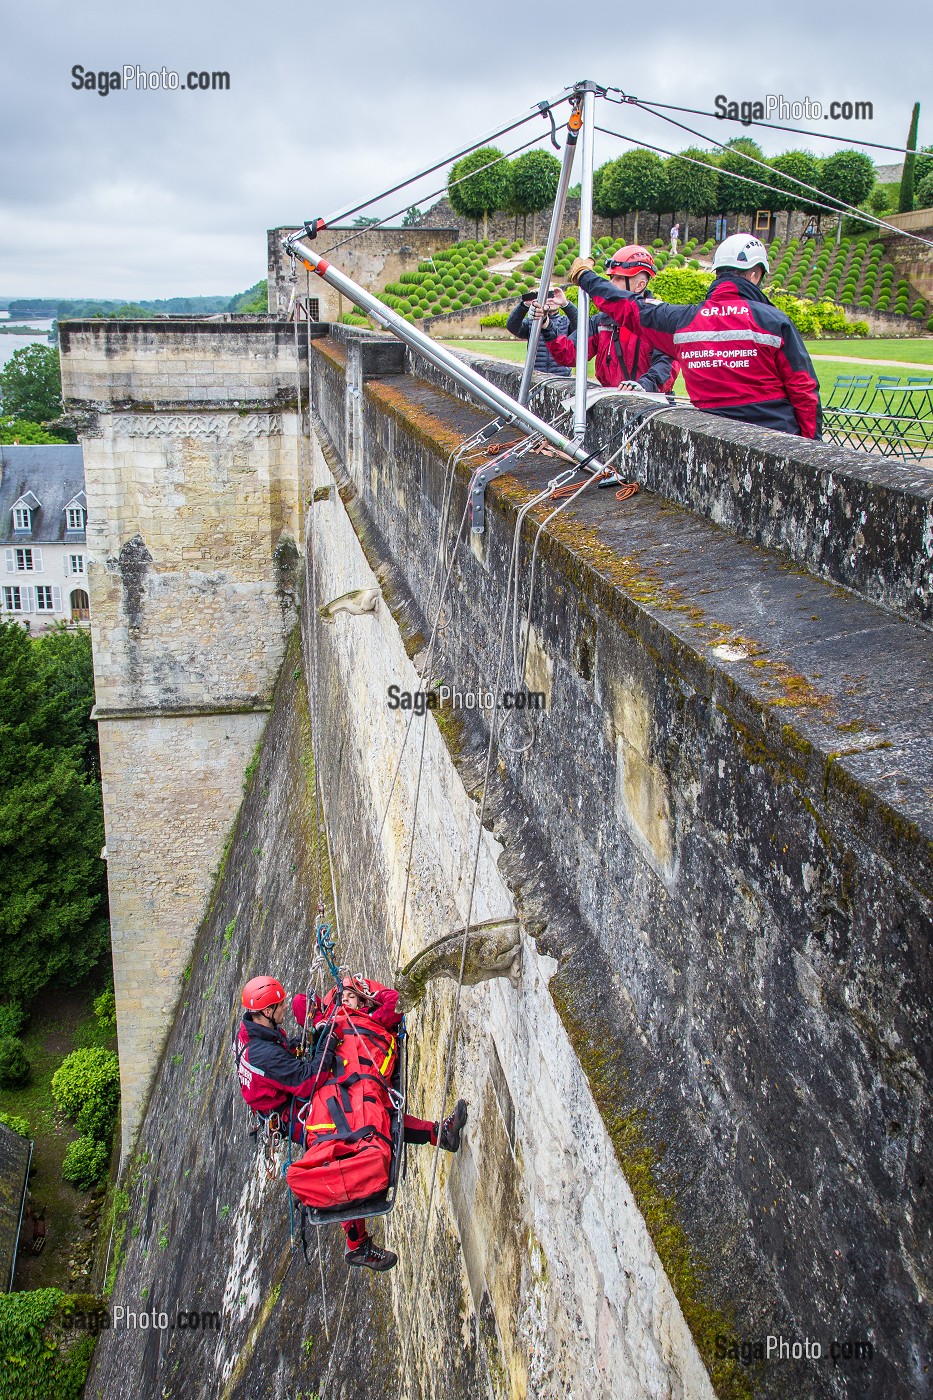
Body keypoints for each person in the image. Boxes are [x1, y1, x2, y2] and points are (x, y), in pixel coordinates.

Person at [236, 975, 468, 1273]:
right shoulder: (262, 1052)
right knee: (336, 1140)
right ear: (266, 1011)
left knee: (369, 1106)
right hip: (292, 1111)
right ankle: (357, 1244)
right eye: (278, 1006)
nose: (283, 1010)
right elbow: (307, 1081)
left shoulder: (254, 1032)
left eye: (352, 997)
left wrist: (324, 1028)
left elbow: (389, 1006)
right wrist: (328, 1041)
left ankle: (439, 1135)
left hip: (304, 1088)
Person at [566, 233, 822, 439]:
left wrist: (586, 277)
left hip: (710, 436)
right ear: (755, 274)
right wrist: (813, 447)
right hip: (777, 437)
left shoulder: (685, 321)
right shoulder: (774, 321)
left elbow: (629, 308)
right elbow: (804, 389)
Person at [540, 245, 676, 394]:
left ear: (639, 285)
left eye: (618, 278)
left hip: (649, 405)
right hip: (611, 403)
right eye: (611, 277)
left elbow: (666, 368)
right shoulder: (601, 322)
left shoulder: (659, 321)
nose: (611, 284)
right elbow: (569, 354)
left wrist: (644, 385)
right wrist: (547, 326)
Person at [506, 286, 577, 377]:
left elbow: (581, 326)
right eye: (548, 296)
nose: (551, 300)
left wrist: (565, 304)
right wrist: (525, 304)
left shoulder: (566, 322)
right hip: (536, 375)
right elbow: (512, 326)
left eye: (554, 296)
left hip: (561, 376)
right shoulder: (532, 322)